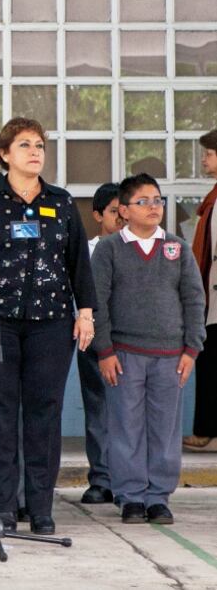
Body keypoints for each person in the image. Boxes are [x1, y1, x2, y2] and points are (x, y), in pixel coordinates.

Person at [0, 117, 96, 536]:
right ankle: (4, 506)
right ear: (4, 154)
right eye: (25, 145)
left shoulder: (61, 202)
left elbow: (78, 264)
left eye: (40, 146)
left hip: (51, 324)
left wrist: (85, 312)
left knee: (44, 414)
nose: (35, 152)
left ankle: (41, 507)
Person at [92, 173, 205, 524]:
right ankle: (130, 496)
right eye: (143, 202)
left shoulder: (176, 248)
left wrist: (191, 349)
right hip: (124, 354)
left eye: (157, 200)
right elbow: (98, 303)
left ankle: (158, 496)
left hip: (171, 356)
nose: (153, 207)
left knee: (165, 427)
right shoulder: (110, 249)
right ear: (123, 210)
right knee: (126, 426)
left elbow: (193, 299)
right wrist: (105, 350)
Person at [77, 183, 124, 504]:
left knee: (131, 413)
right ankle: (102, 477)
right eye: (113, 212)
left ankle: (131, 480)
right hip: (96, 342)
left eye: (125, 211)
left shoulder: (139, 247)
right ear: (97, 215)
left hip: (132, 342)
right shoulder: (88, 251)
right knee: (99, 411)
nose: (121, 219)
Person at [187, 129, 217, 452]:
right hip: (210, 297)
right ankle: (207, 428)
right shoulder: (213, 198)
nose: (205, 160)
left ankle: (207, 429)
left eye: (209, 154)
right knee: (209, 363)